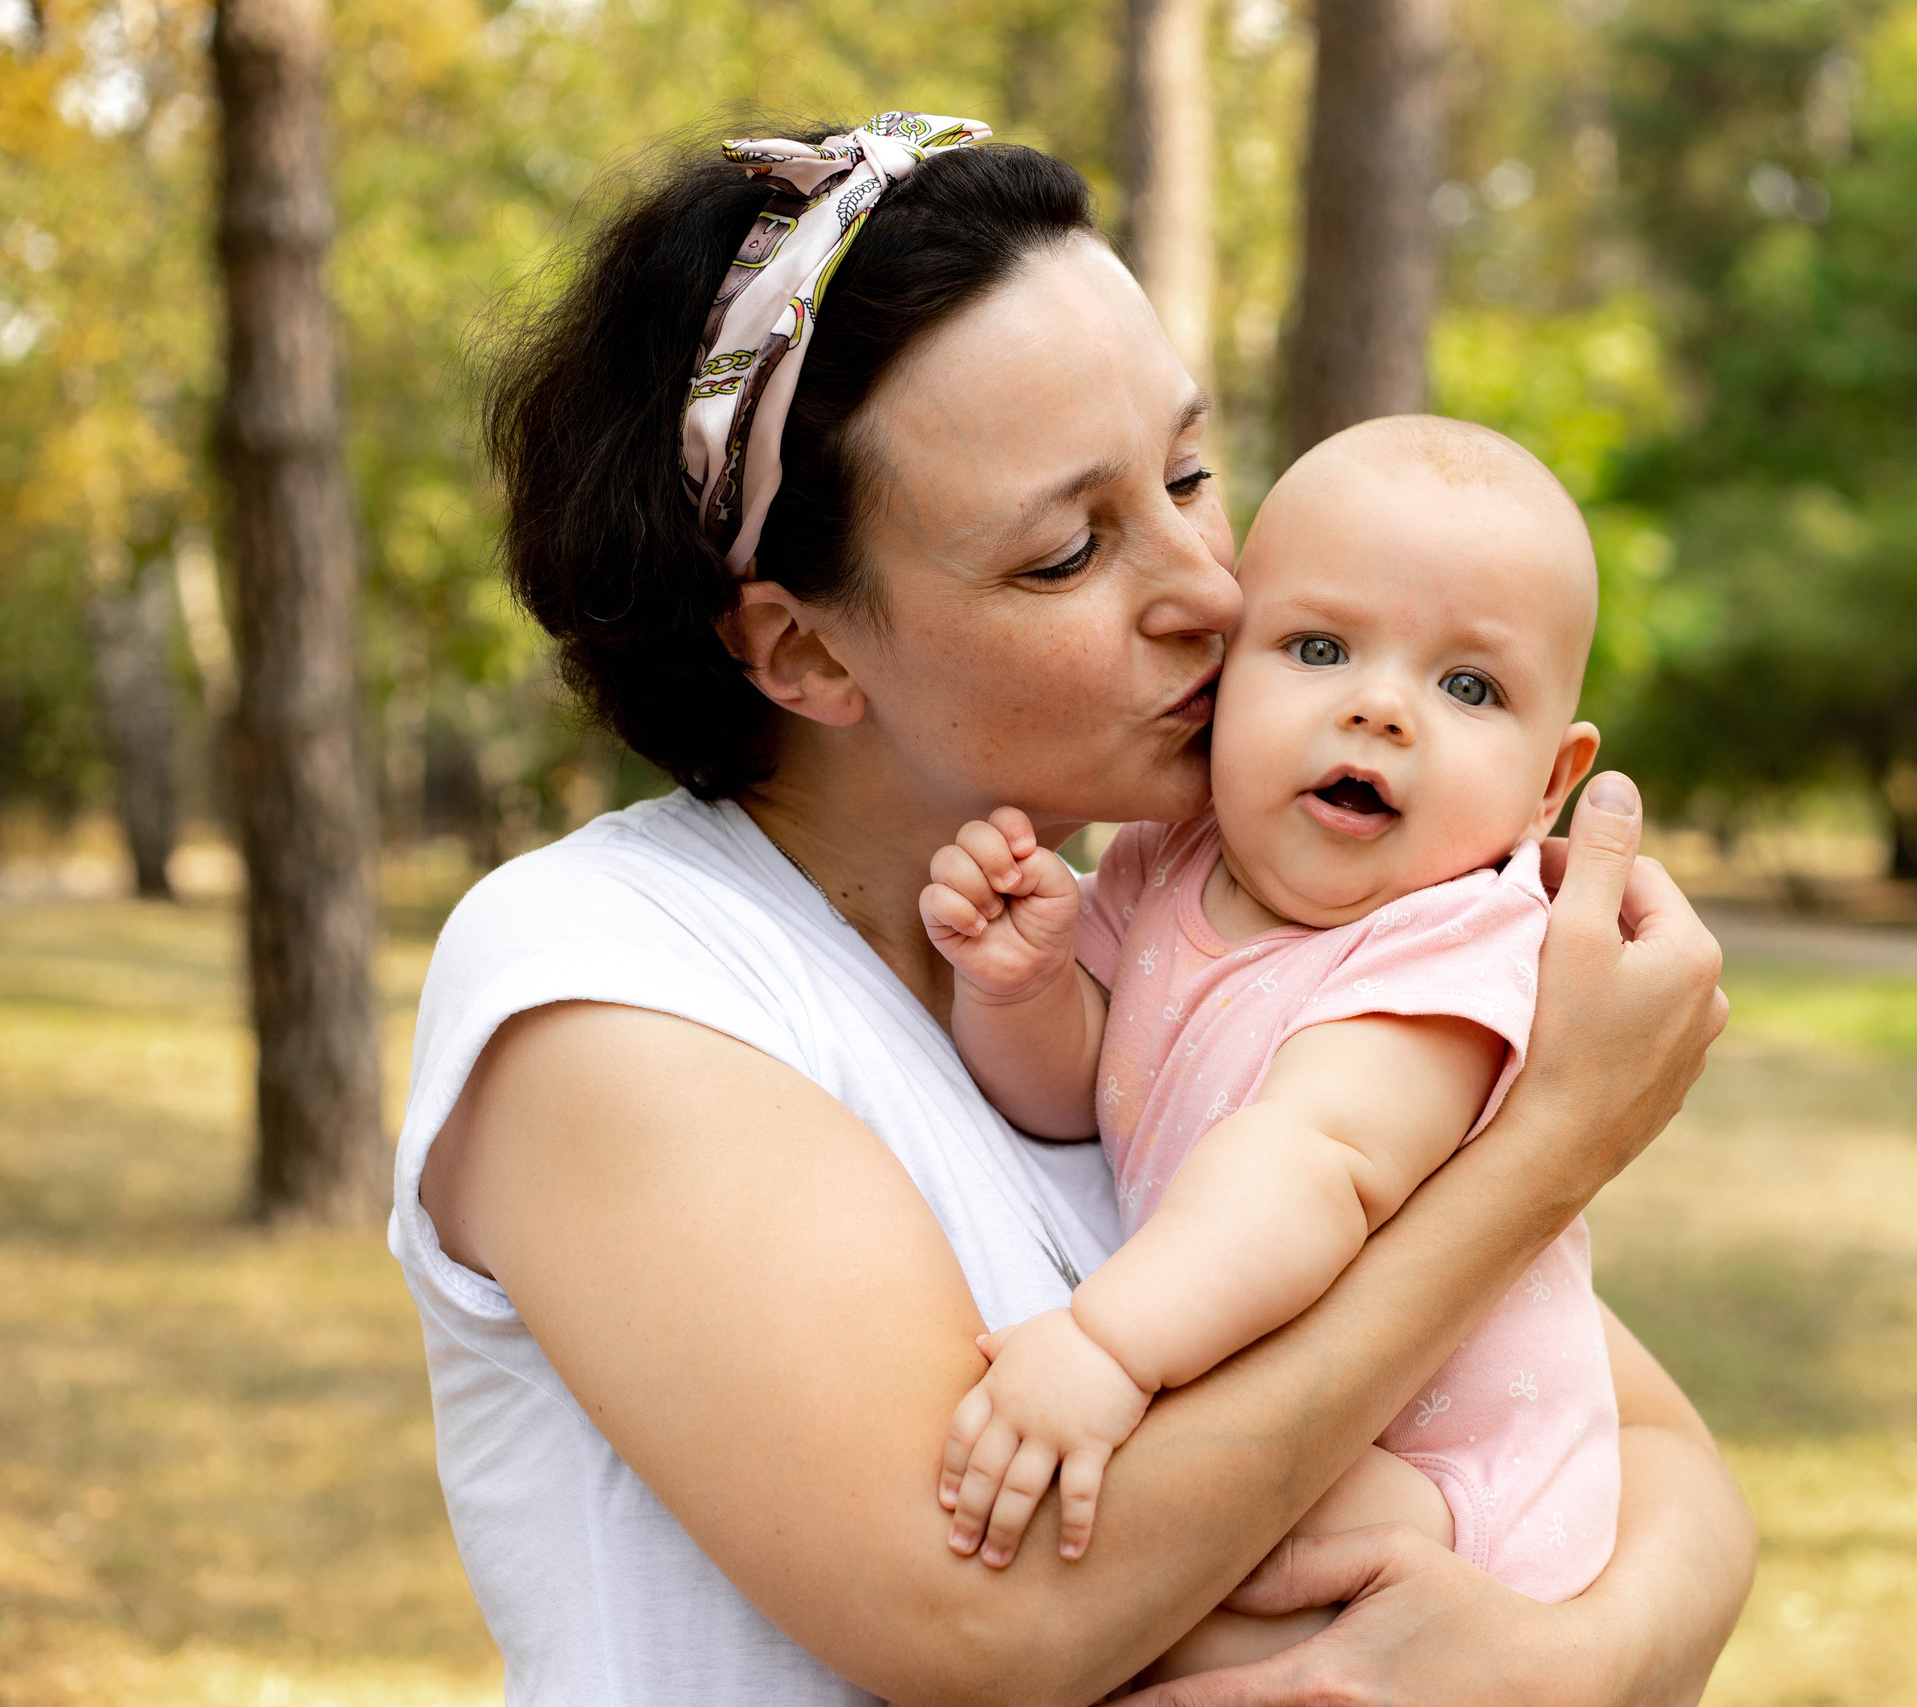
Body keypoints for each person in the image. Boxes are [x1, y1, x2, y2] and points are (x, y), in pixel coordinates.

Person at [398, 113, 1750, 1707]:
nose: (1213, 591)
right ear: (809, 652)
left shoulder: (1207, 933)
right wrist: (1550, 1143)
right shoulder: (606, 987)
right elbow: (996, 1617)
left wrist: (1562, 1661)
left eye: (1189, 473)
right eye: (1068, 551)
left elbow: (1664, 1457)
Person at [923, 416, 1622, 1681]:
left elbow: (1311, 1165)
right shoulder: (1159, 864)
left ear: (1547, 786)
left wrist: (1106, 1347)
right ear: (1222, 676)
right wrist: (1021, 989)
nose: (1380, 707)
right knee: (1151, 1574)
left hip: (1438, 1476)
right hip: (1298, 1411)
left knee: (1169, 1576)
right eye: (1317, 648)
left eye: (1469, 688)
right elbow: (1077, 1094)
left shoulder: (1459, 940)